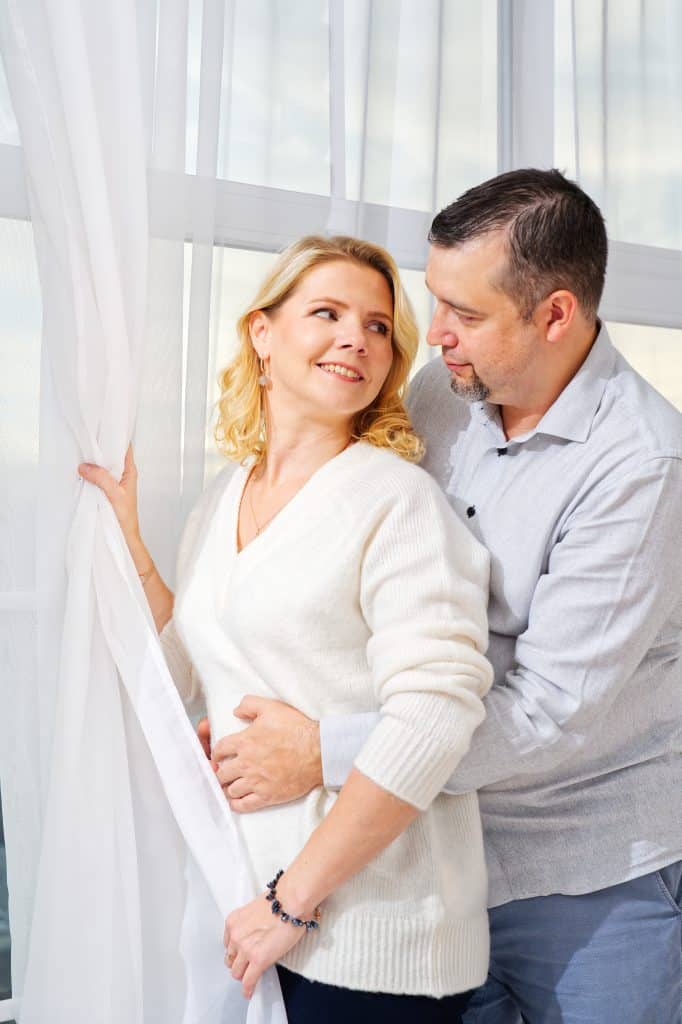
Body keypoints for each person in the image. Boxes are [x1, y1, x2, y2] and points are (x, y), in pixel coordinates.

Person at [208, 171, 682, 1024]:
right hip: (428, 862)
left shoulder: (640, 467)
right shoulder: (443, 395)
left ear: (556, 315)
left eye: (465, 313)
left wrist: (325, 752)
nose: (437, 336)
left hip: (583, 875)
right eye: (435, 305)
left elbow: (549, 712)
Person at [78, 235, 495, 1022]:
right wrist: (127, 538)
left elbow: (437, 720)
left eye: (378, 327)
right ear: (261, 334)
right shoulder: (223, 497)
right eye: (328, 313)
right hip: (251, 914)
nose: (356, 339)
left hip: (370, 941)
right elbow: (189, 674)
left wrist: (291, 903)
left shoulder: (397, 503)